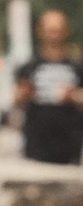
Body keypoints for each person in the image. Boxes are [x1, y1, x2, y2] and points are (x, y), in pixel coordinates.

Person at [14, 9, 83, 164]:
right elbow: (15, 102)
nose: (54, 35)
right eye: (50, 30)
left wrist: (73, 96)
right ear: (40, 32)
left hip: (69, 149)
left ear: (66, 32)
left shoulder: (77, 67)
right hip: (36, 149)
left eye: (58, 30)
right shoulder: (28, 67)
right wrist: (23, 94)